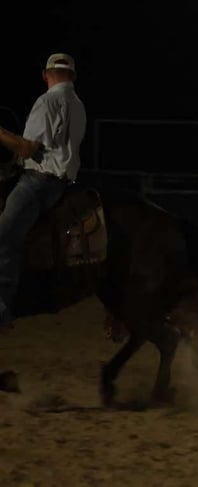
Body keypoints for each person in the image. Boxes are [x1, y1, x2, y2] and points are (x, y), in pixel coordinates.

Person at [0, 53, 87, 329]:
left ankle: (2, 309)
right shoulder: (78, 105)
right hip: (64, 182)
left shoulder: (46, 101)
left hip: (38, 184)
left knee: (4, 237)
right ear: (73, 76)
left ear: (45, 75)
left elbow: (27, 149)